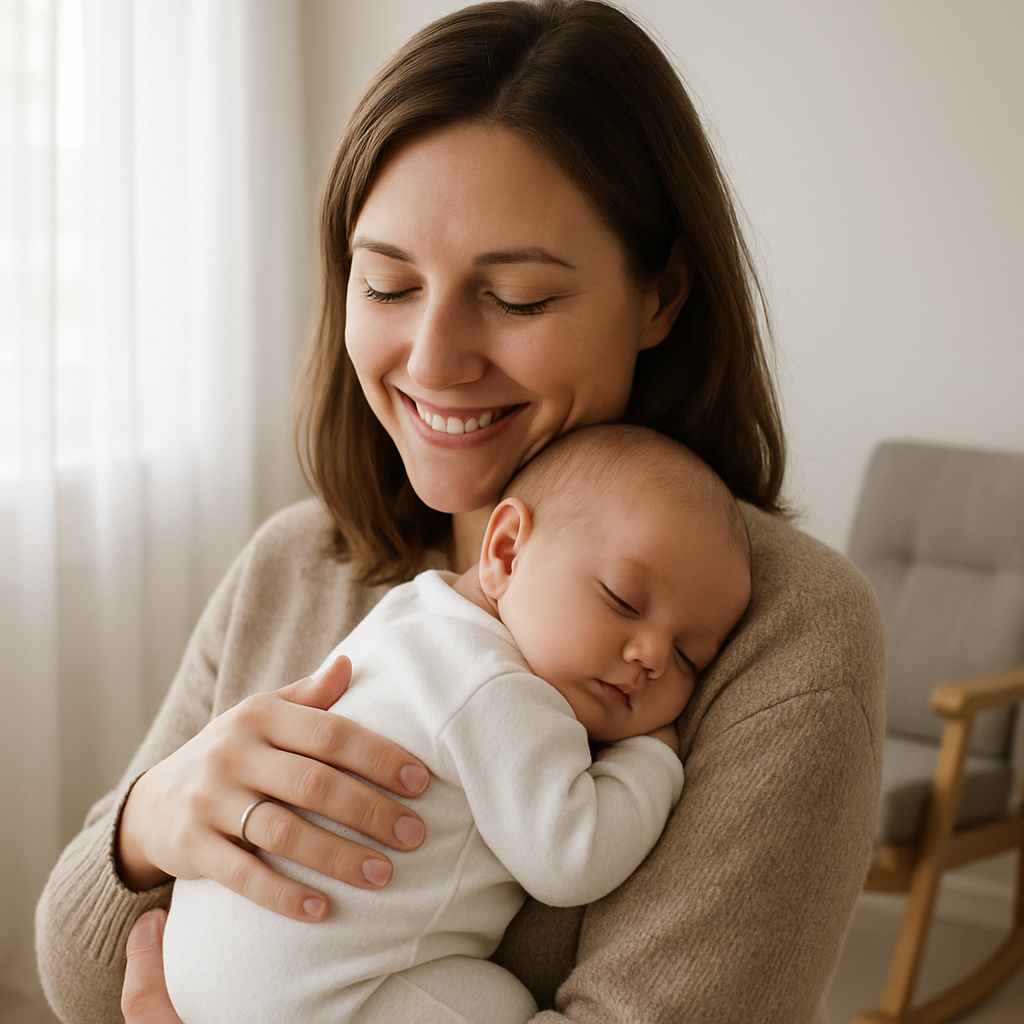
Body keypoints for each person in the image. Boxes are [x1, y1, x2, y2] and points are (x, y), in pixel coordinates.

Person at [35, 3, 886, 1023]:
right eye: (387, 282)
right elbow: (83, 980)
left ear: (660, 294)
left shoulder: (779, 636)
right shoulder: (299, 561)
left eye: (518, 297)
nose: (433, 360)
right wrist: (148, 820)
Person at [161, 424, 751, 1024]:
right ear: (506, 553)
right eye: (624, 599)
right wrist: (651, 758)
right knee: (505, 1006)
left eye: (688, 659)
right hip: (312, 994)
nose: (652, 655)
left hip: (198, 954)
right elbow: (573, 857)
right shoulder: (496, 687)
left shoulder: (413, 614)